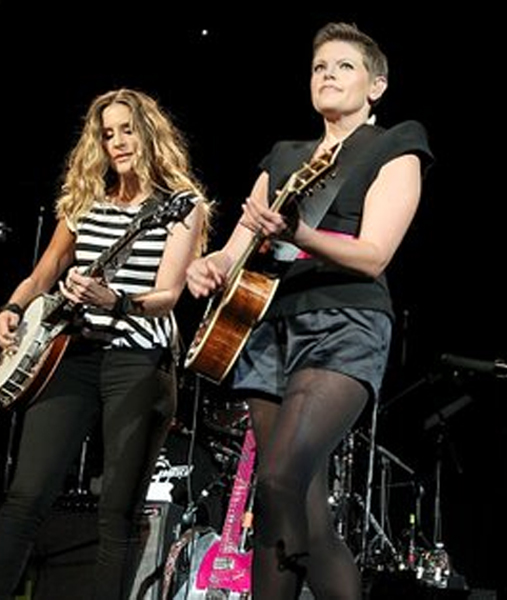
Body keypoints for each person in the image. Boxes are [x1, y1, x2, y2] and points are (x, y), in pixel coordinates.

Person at [185, 21, 432, 600]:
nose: (328, 75)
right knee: (291, 510)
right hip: (268, 328)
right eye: (320, 67)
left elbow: (372, 255)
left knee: (276, 479)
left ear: (377, 85)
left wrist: (299, 231)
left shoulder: (395, 145)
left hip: (346, 323)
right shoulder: (286, 155)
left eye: (344, 66)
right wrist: (212, 265)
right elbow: (240, 241)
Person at [0, 88, 209, 600]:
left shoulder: (182, 205)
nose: (117, 142)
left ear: (149, 132)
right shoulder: (85, 198)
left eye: (127, 129)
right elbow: (46, 271)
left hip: (140, 360)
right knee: (26, 496)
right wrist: (10, 309)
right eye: (107, 133)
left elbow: (168, 294)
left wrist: (114, 300)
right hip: (71, 353)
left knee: (117, 511)